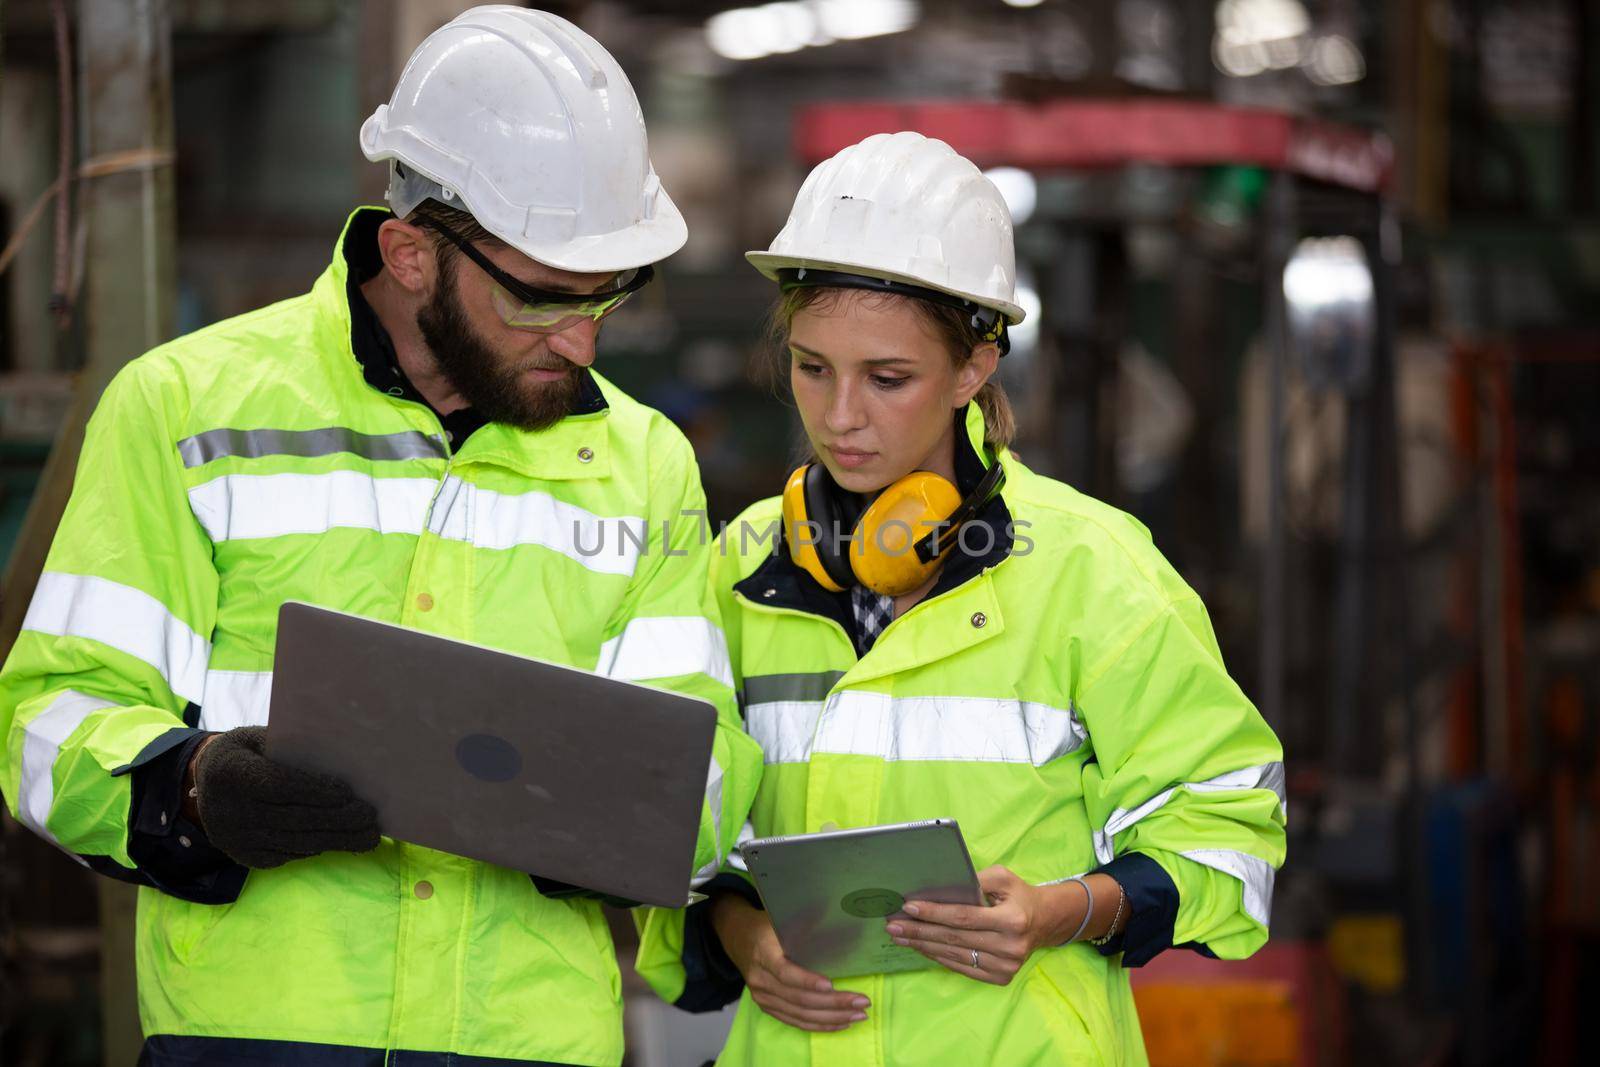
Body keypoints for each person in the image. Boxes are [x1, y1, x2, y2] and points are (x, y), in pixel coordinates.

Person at [0, 8, 759, 1065]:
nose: (583, 340)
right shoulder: (186, 411)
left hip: (527, 1041)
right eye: (541, 299)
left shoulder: (643, 462)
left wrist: (615, 815)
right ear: (409, 253)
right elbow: (49, 718)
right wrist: (196, 785)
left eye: (610, 297)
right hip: (257, 1034)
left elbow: (708, 767)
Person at [636, 131, 1286, 1065]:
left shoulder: (1090, 568)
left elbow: (1229, 826)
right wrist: (745, 936)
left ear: (975, 368)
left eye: (887, 378)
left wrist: (1066, 909)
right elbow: (685, 834)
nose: (840, 415)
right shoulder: (738, 567)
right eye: (812, 367)